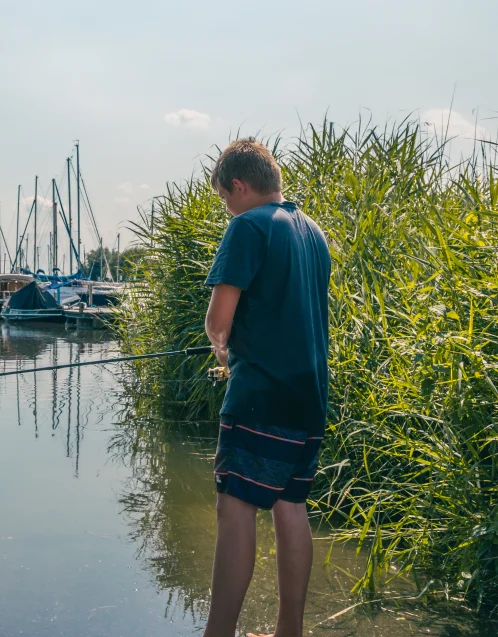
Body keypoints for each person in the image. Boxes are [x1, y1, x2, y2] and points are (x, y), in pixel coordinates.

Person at [201, 139, 331, 637]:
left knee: (234, 508)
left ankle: (218, 633)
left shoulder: (247, 226)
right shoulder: (313, 231)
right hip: (310, 398)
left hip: (262, 398)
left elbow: (218, 321)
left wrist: (222, 351)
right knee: (290, 505)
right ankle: (289, 632)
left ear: (239, 184)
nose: (226, 209)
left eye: (224, 198)